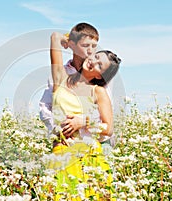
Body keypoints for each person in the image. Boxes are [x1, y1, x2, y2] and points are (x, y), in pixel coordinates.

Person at [49, 31, 121, 200]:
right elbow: (54, 37)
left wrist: (83, 121)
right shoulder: (61, 77)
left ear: (100, 75)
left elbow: (108, 128)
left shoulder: (98, 91)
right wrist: (73, 42)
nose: (93, 61)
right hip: (62, 149)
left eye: (99, 66)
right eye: (96, 57)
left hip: (88, 152)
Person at [39, 22, 115, 152]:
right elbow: (45, 107)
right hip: (63, 144)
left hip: (93, 143)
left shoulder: (99, 86)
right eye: (85, 45)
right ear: (72, 45)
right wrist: (59, 130)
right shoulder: (61, 76)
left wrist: (82, 123)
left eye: (94, 46)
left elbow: (106, 123)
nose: (90, 51)